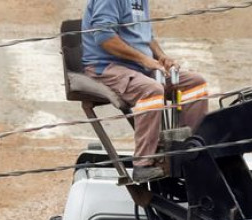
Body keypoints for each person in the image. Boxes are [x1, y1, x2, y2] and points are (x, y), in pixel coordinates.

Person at [81, 0, 210, 183]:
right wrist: (144, 60)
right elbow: (104, 37)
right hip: (108, 67)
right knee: (152, 90)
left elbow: (146, 36)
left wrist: (161, 57)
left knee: (195, 83)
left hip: (138, 66)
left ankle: (189, 150)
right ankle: (144, 164)